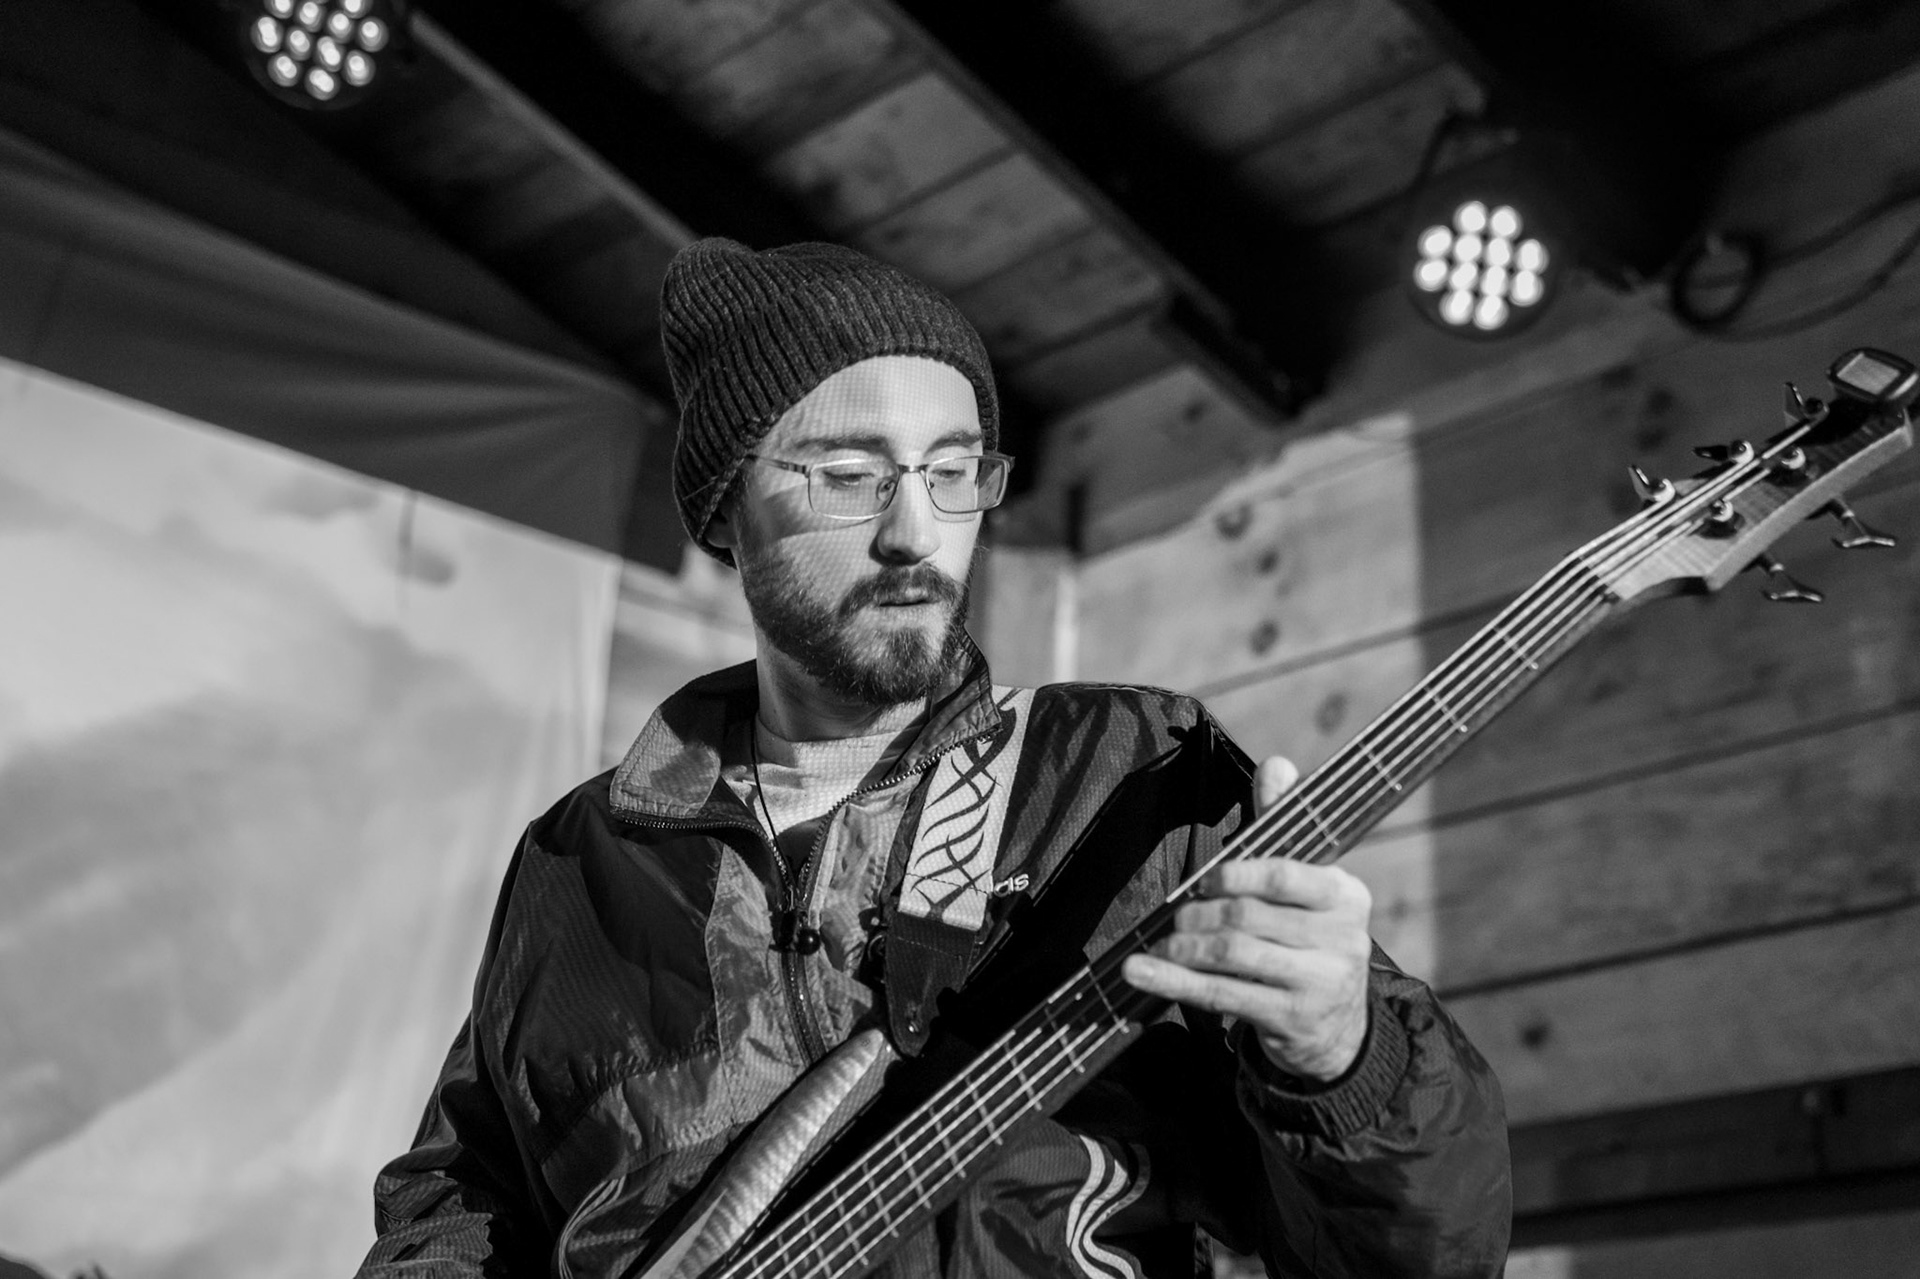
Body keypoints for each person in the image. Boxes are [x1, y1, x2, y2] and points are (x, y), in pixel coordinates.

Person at [357, 239, 1510, 1278]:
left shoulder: (1135, 778)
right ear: (727, 513)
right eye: (849, 475)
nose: (917, 532)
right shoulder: (578, 860)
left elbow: (1428, 1255)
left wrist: (1345, 1058)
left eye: (954, 472)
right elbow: (462, 1208)